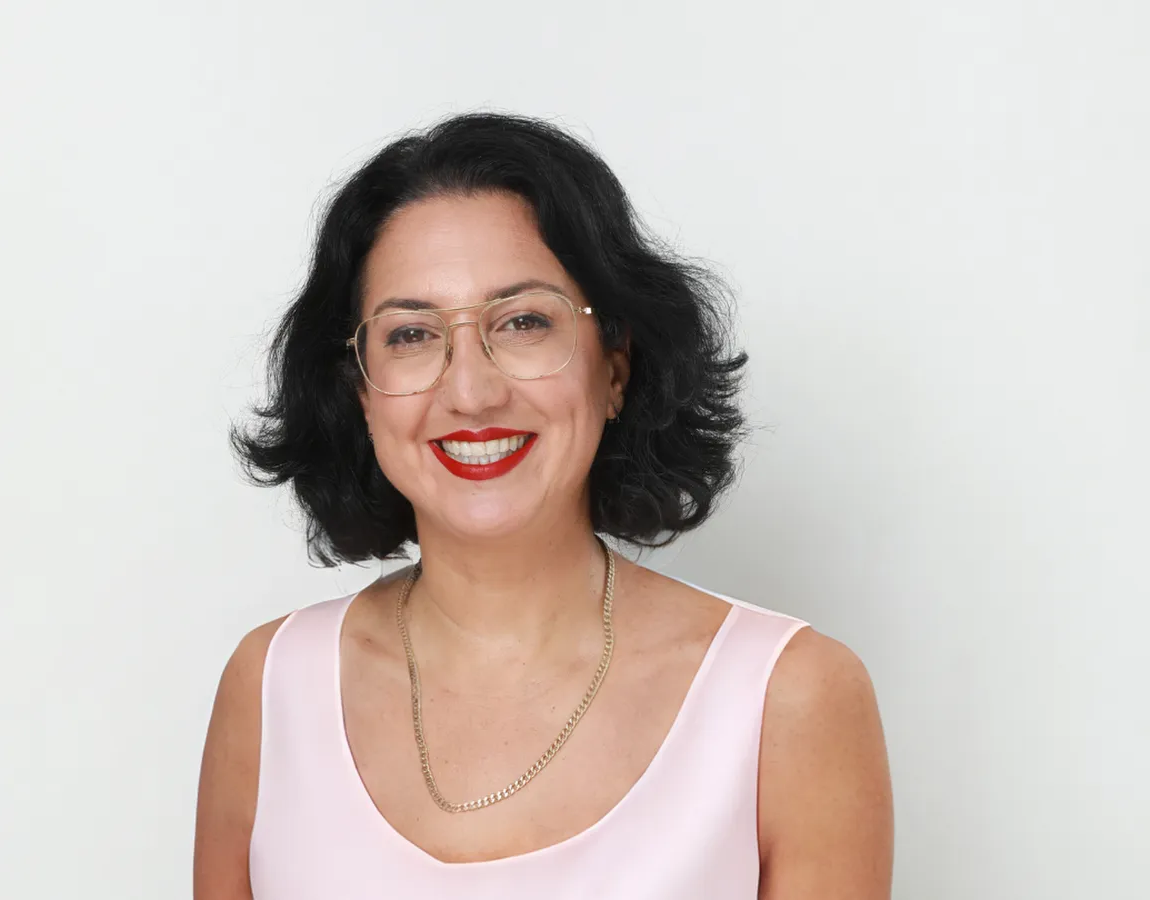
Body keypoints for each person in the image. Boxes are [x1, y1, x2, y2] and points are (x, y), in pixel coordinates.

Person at [194, 113, 893, 899]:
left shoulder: (787, 697)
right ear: (360, 391)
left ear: (615, 366)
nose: (470, 392)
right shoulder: (270, 687)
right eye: (411, 334)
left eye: (523, 322)